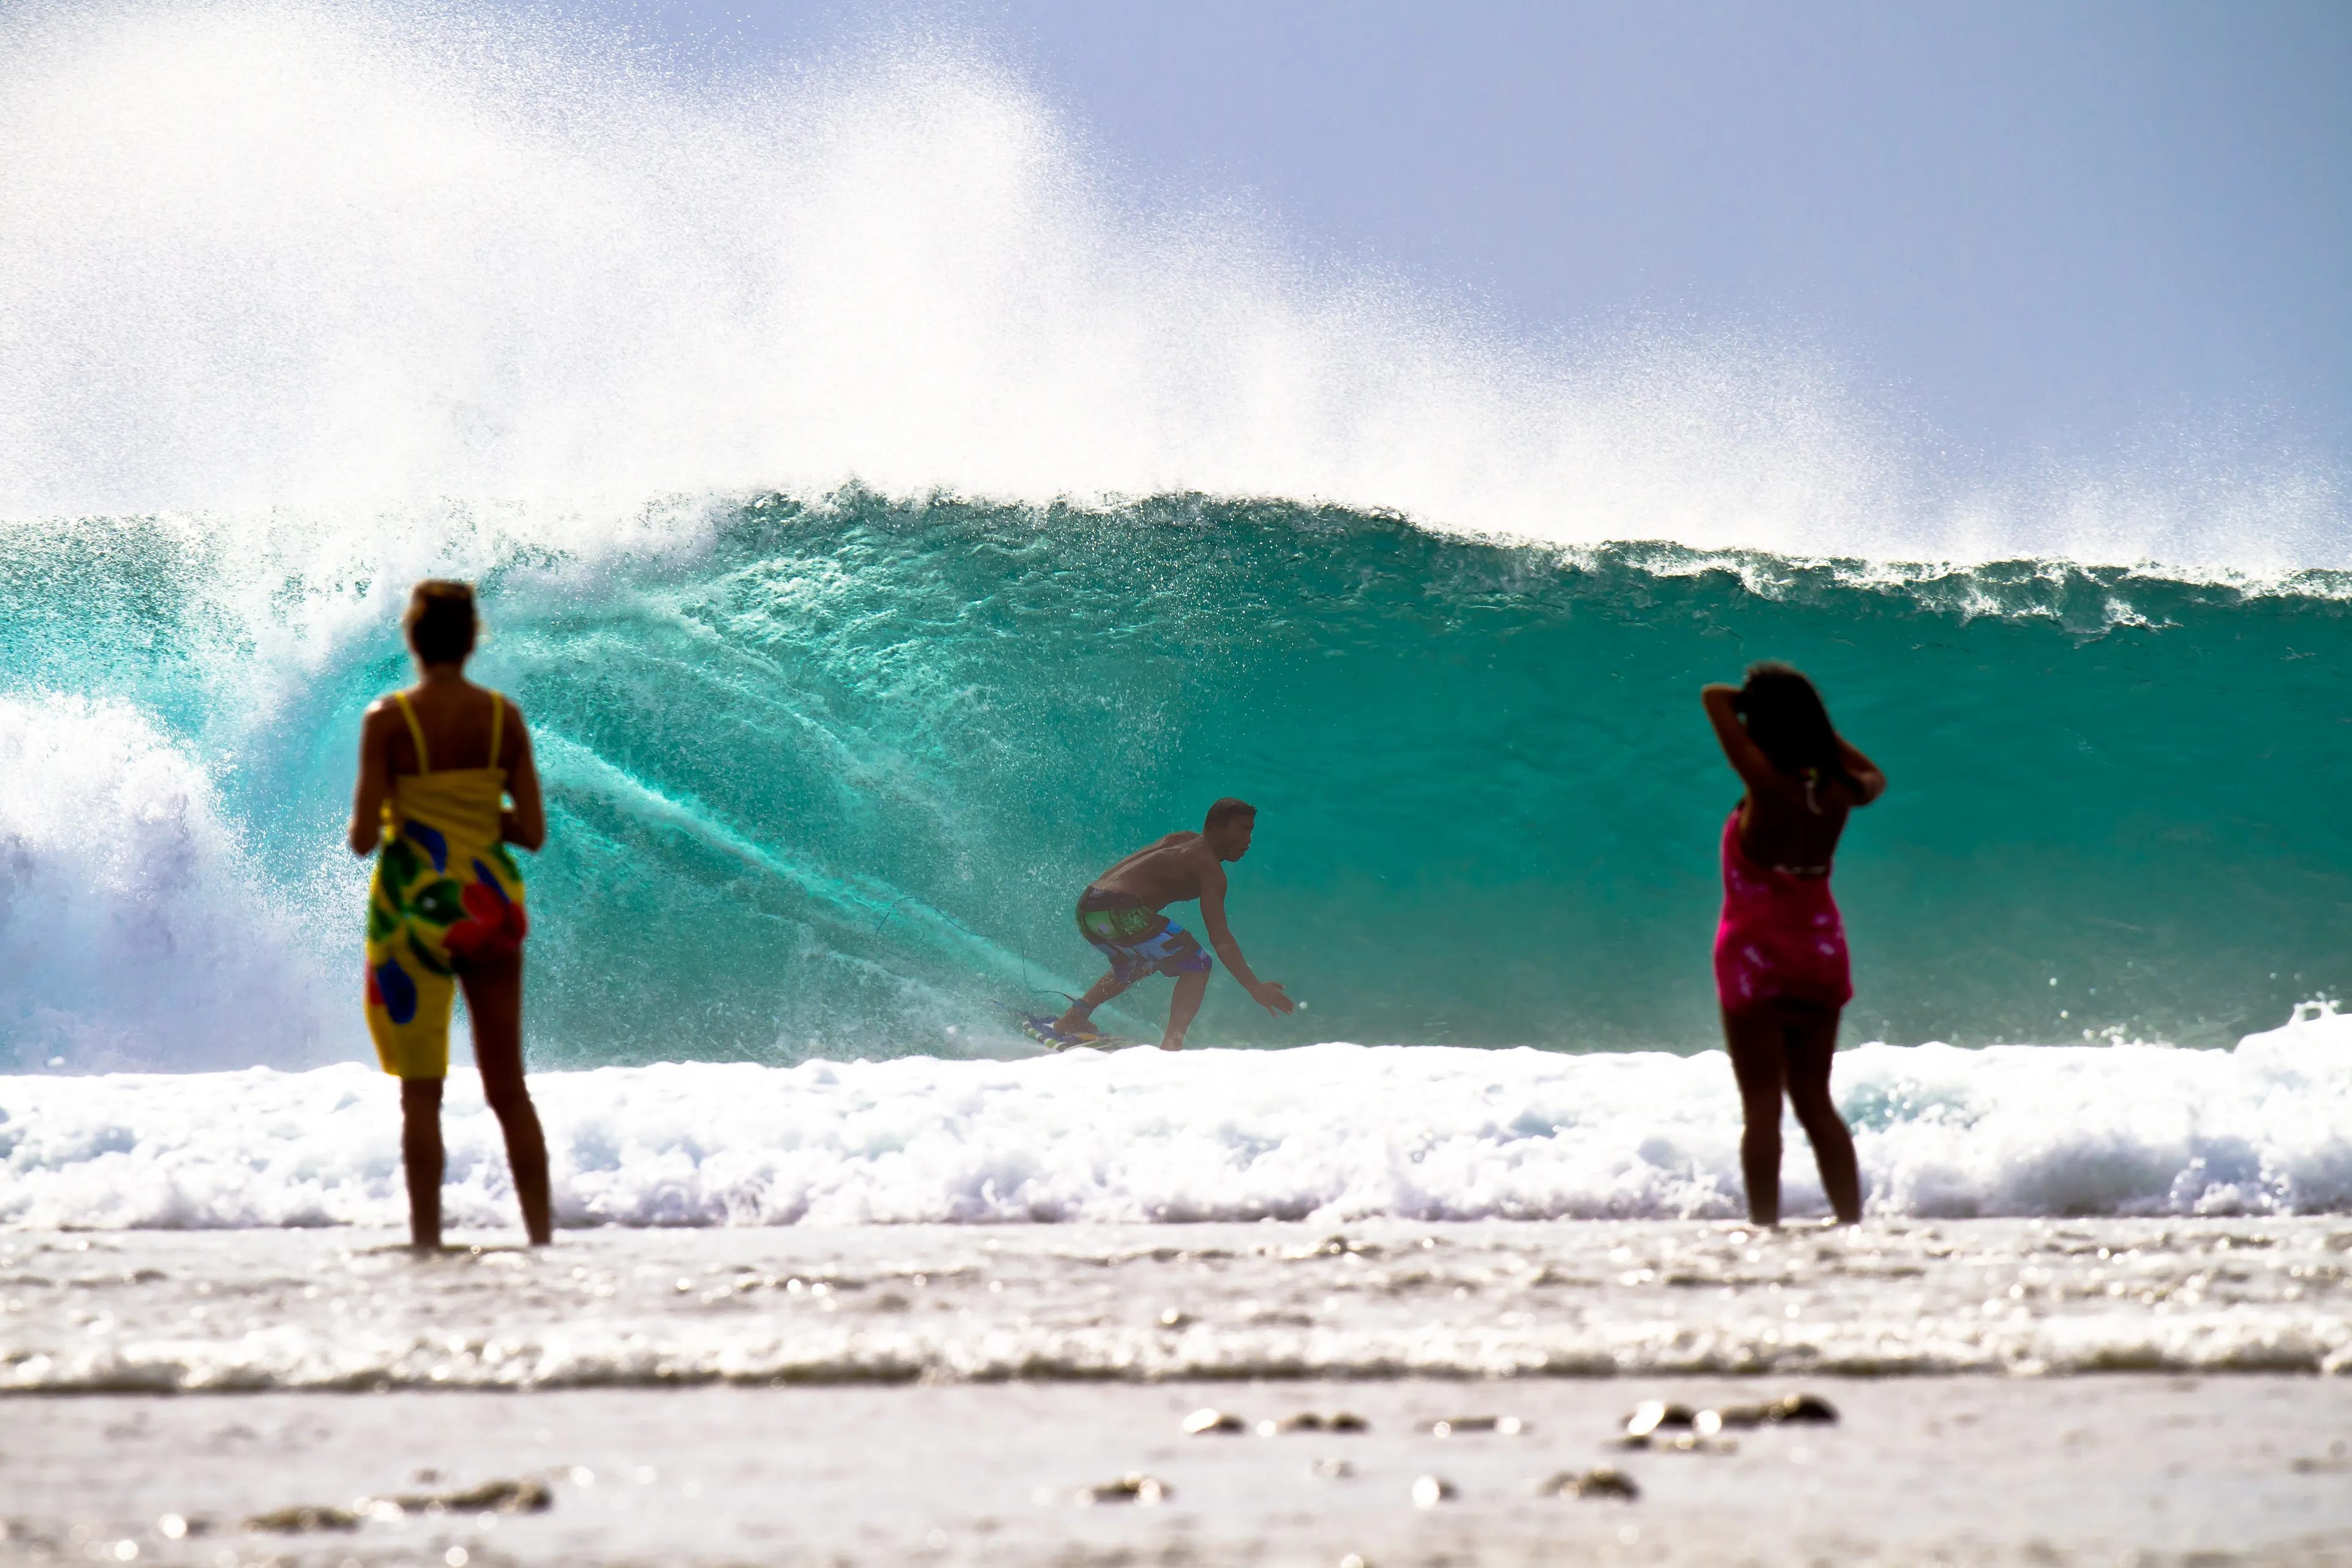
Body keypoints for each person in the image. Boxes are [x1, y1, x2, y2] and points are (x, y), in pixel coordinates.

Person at [349, 581, 552, 1250]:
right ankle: (541, 1238)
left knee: (421, 1095)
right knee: (509, 1089)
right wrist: (473, 813)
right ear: (471, 640)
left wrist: (411, 811)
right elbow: (530, 831)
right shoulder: (504, 719)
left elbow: (361, 837)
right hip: (487, 906)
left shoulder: (387, 719)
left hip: (413, 912)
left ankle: (428, 1243)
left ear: (413, 638)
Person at [1701, 663, 1885, 1227]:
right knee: (1814, 1102)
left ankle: (1764, 1227)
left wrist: (1757, 707)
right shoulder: (1841, 792)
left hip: (1758, 960)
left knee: (1762, 1108)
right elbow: (1874, 775)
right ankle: (1852, 1223)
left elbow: (1714, 698)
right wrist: (1809, 726)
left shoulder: (1767, 787)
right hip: (1821, 957)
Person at [1042, 798, 1296, 1050]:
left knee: (1138, 962)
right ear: (1218, 828)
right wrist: (1255, 987)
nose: (1248, 839)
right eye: (1242, 830)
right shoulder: (1209, 869)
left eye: (1250, 831)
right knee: (1198, 964)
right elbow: (1220, 938)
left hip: (1088, 909)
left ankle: (1074, 1017)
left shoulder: (1181, 839)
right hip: (1118, 910)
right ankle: (1171, 1047)